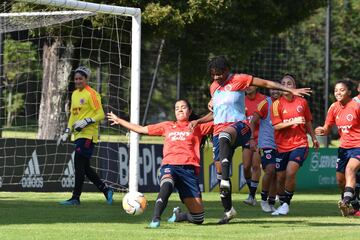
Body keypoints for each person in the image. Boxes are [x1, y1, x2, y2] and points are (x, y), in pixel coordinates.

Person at [191, 56, 311, 224]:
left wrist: (290, 90)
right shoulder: (214, 87)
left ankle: (252, 192)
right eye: (213, 75)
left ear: (226, 70)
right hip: (218, 129)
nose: (216, 77)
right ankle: (228, 210)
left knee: (227, 138)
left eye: (219, 74)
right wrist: (198, 121)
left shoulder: (239, 79)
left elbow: (267, 84)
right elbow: (217, 112)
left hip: (240, 126)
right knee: (220, 173)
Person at [107, 99, 213, 228]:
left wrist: (215, 104)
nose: (179, 109)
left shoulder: (198, 126)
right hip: (170, 166)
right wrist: (119, 120)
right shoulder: (167, 126)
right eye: (177, 108)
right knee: (167, 184)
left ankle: (179, 216)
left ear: (190, 111)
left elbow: (221, 119)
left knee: (198, 218)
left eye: (183, 107)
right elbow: (141, 129)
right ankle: (155, 219)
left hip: (189, 171)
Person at [58, 66, 113, 205]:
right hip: (77, 135)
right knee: (85, 168)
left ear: (86, 79)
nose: (77, 81)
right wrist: (67, 131)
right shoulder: (75, 94)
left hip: (89, 135)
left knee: (78, 164)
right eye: (76, 79)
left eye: (80, 79)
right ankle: (106, 190)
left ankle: (75, 198)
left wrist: (87, 121)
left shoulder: (92, 94)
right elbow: (73, 115)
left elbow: (101, 114)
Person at [270, 74, 319, 216]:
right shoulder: (276, 104)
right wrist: (293, 121)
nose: (286, 85)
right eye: (283, 83)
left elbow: (308, 121)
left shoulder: (302, 102)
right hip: (281, 146)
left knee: (291, 172)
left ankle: (286, 204)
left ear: (295, 87)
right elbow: (277, 126)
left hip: (300, 144)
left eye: (289, 83)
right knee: (280, 177)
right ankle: (282, 203)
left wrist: (314, 138)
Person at [315, 80, 360, 217]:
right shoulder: (334, 107)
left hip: (358, 146)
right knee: (340, 180)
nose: (338, 93)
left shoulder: (357, 106)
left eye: (342, 90)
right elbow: (327, 127)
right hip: (343, 148)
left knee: (350, 170)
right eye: (336, 90)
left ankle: (345, 201)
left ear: (349, 92)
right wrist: (322, 130)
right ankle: (355, 206)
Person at [249, 88, 280, 212]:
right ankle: (263, 199)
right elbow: (252, 122)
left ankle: (271, 202)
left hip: (282, 145)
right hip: (266, 144)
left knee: (277, 174)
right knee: (270, 170)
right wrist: (251, 138)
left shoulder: (285, 104)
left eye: (277, 89)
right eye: (272, 89)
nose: (274, 91)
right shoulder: (265, 103)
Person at [242, 86, 266, 206]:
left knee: (256, 165)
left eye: (250, 85)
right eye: (246, 86)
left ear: (256, 86)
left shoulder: (264, 100)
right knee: (246, 167)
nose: (248, 87)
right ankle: (252, 194)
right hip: (246, 137)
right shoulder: (242, 100)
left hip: (259, 138)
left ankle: (251, 196)